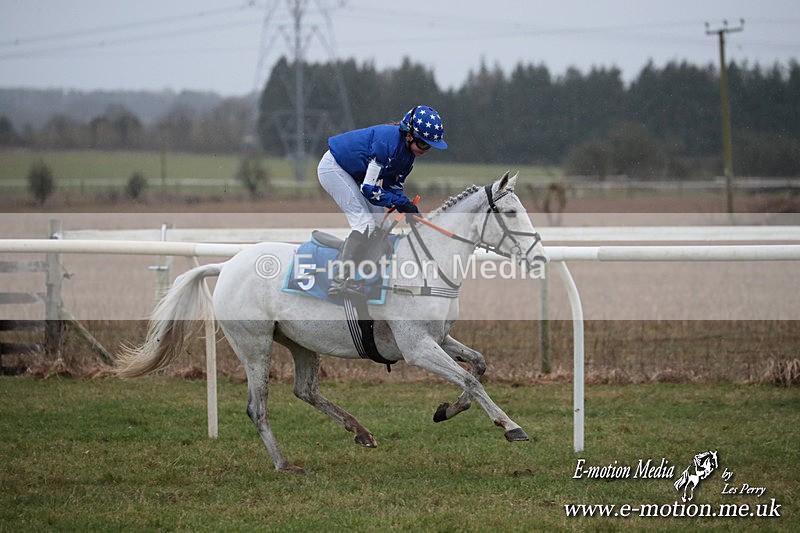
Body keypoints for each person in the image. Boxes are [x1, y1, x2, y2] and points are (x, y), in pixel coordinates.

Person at [317, 105, 447, 298]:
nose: (426, 150)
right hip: (333, 168)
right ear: (409, 135)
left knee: (383, 226)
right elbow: (369, 190)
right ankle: (339, 281)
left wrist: (409, 208)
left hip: (354, 176)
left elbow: (392, 188)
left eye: (430, 147)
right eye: (424, 144)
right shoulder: (386, 145)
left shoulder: (408, 157)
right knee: (365, 224)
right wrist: (401, 204)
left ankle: (358, 279)